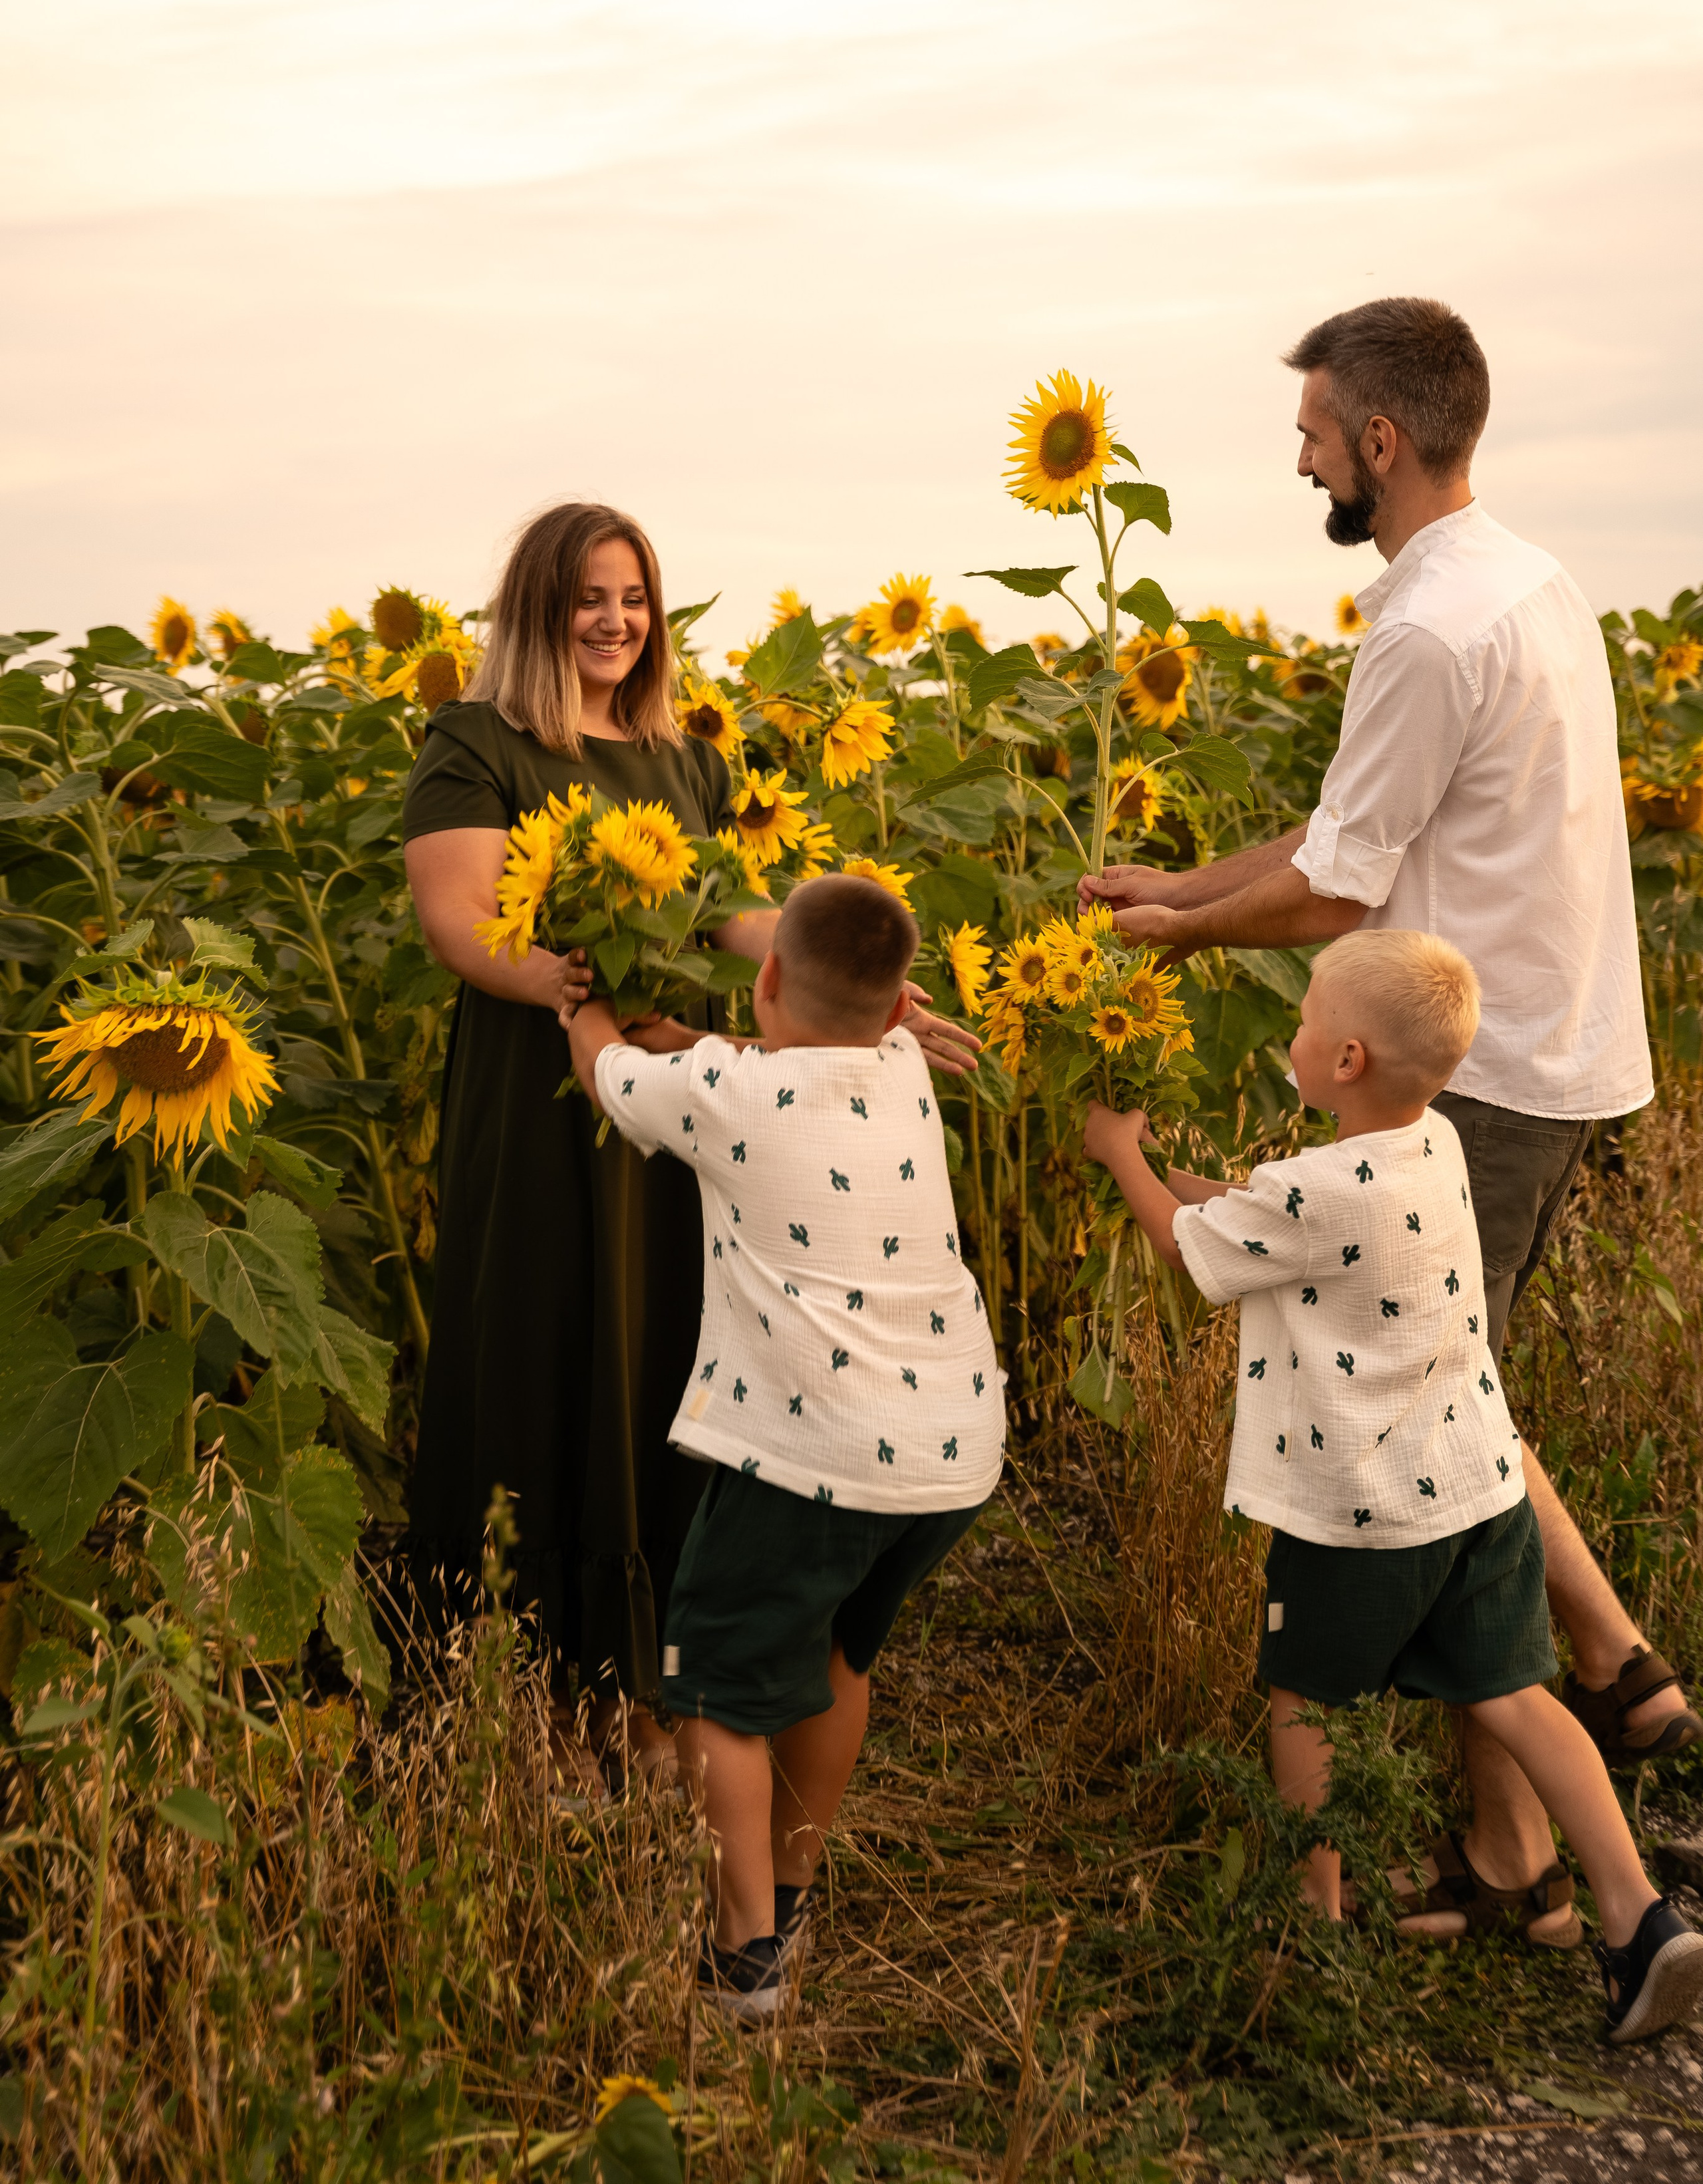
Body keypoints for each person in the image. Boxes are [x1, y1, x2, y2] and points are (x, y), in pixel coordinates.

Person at [1081, 296, 1698, 1942]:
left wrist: (1176, 936)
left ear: (1378, 438)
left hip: (1472, 1066)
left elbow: (1337, 890)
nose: (1300, 465)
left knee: (1438, 1444)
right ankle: (1560, 1775)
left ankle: (1590, 1721)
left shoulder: (1428, 626)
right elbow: (1349, 826)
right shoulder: (1521, 581)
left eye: (1309, 438)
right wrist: (1184, 881)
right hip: (1544, 1042)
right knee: (1458, 1399)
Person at [404, 505, 977, 1784]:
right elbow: (463, 927)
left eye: (635, 598)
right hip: (548, 1089)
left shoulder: (680, 762)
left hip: (677, 1092)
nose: (616, 622)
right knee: (551, 1348)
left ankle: (653, 1686)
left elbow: (730, 910)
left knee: (671, 1346)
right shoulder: (475, 744)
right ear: (539, 610)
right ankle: (545, 1696)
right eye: (588, 599)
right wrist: (591, 1005)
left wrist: (858, 982)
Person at [1086, 929, 1703, 2042]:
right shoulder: (1434, 1149)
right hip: (1480, 1486)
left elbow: (1193, 1252)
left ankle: (1308, 1934)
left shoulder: (1315, 1189)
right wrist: (1185, 1179)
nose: (1296, 1027)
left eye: (1308, 1015)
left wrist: (1119, 1155)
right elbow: (1261, 1221)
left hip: (1361, 1513)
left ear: (1346, 1061)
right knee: (1519, 1695)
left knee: (1306, 1702)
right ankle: (1637, 1913)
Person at [567, 874, 1005, 2019]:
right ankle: (795, 1889)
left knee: (713, 1687)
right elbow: (756, 1052)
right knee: (834, 1661)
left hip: (817, 1453)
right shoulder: (904, 1066)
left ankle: (743, 1952)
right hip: (952, 1444)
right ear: (897, 1001)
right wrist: (689, 1036)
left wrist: (580, 1006)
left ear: (764, 978)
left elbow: (614, 1077)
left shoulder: (723, 1088)